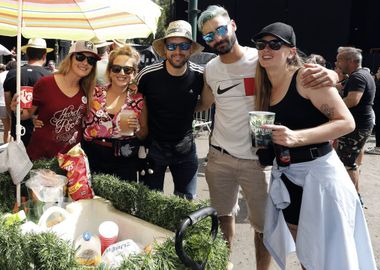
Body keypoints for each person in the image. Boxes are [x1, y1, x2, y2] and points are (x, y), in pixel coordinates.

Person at [196, 5, 339, 270]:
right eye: (208, 36)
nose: (217, 38)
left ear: (233, 26)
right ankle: (223, 264)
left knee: (263, 226)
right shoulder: (211, 69)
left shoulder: (261, 58)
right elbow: (203, 102)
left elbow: (302, 68)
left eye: (220, 29)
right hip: (219, 157)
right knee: (223, 215)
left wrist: (332, 74)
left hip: (257, 160)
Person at [252, 22, 376, 270]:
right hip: (288, 176)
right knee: (308, 254)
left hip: (319, 179)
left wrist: (296, 137)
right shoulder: (264, 84)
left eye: (275, 44)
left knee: (328, 256)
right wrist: (263, 146)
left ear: (291, 51)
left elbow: (346, 122)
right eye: (261, 44)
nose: (267, 49)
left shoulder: (305, 78)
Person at [136, 20, 205, 200]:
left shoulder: (200, 75)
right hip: (154, 147)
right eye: (172, 46)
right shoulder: (147, 75)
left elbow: (206, 103)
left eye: (183, 45)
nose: (177, 51)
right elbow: (133, 101)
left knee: (186, 203)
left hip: (185, 148)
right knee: (151, 204)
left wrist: (188, 108)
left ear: (190, 49)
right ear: (165, 49)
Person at [20, 40, 97, 160]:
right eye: (80, 57)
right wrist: (17, 109)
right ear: (70, 58)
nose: (85, 63)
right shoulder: (46, 83)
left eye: (91, 60)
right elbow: (26, 114)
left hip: (70, 162)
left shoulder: (89, 90)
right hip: (41, 158)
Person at [82, 45, 148, 181]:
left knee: (122, 202)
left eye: (128, 70)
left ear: (134, 73)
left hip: (125, 160)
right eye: (116, 68)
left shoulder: (139, 100)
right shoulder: (93, 93)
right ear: (110, 71)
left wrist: (137, 129)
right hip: (93, 157)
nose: (122, 73)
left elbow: (144, 134)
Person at [334, 47, 376, 199]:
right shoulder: (363, 74)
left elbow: (353, 100)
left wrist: (333, 106)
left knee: (347, 163)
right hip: (361, 125)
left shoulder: (357, 77)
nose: (337, 63)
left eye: (339, 59)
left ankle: (354, 197)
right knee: (352, 161)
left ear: (350, 61)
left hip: (356, 127)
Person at [4, 38, 52, 146]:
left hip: (18, 127)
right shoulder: (50, 77)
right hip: (41, 128)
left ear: (27, 53)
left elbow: (7, 100)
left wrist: (13, 117)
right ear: (44, 55)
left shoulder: (12, 74)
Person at [0, 60, 16, 144]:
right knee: (12, 127)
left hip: (0, 103)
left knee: (6, 128)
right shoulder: (15, 75)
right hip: (11, 103)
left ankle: (5, 146)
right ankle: (11, 147)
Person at [365, 66, 380, 155]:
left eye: (378, 72)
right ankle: (379, 146)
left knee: (379, 128)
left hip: (379, 109)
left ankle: (378, 148)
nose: (376, 73)